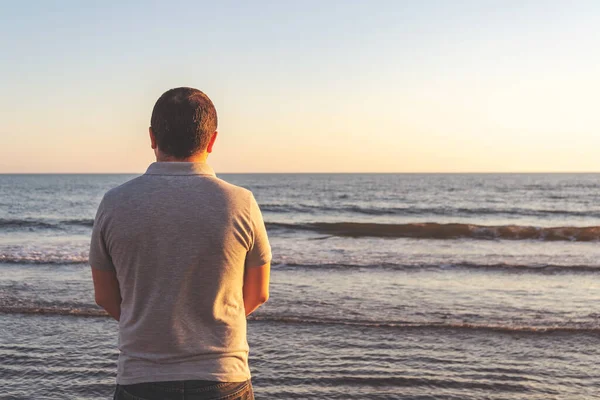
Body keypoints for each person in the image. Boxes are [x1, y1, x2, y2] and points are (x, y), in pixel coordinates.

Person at [89, 87, 271, 400]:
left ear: (151, 137)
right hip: (222, 378)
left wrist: (151, 321)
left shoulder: (114, 203)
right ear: (212, 140)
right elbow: (257, 294)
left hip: (141, 378)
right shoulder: (241, 203)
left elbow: (106, 297)